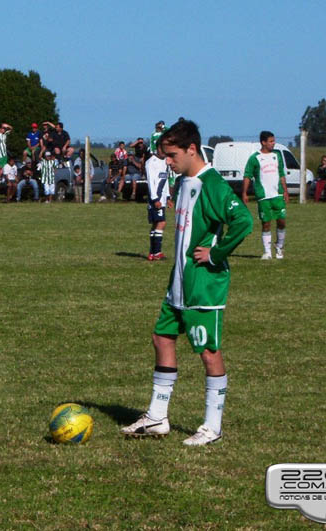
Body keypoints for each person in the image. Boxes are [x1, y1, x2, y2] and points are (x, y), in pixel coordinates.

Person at [121, 119, 252, 446]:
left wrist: (216, 253)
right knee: (162, 337)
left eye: (172, 154)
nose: (167, 161)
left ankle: (212, 426)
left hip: (203, 288)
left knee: (209, 352)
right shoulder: (182, 183)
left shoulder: (214, 185)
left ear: (192, 149)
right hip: (177, 284)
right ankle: (156, 417)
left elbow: (243, 221)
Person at [242, 131, 288, 260]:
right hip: (263, 197)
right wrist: (244, 193)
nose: (273, 143)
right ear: (263, 142)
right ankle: (267, 252)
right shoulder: (254, 158)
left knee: (282, 221)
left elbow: (281, 174)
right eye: (271, 141)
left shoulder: (277, 155)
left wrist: (285, 190)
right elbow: (247, 176)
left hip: (277, 195)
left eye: (274, 141)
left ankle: (279, 246)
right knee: (266, 223)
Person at [145, 141, 169, 260]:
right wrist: (155, 198)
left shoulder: (166, 162)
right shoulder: (151, 162)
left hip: (162, 198)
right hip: (156, 198)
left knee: (156, 224)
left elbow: (165, 180)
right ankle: (157, 252)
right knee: (161, 223)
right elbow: (151, 182)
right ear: (158, 148)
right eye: (162, 148)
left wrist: (168, 196)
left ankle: (152, 253)